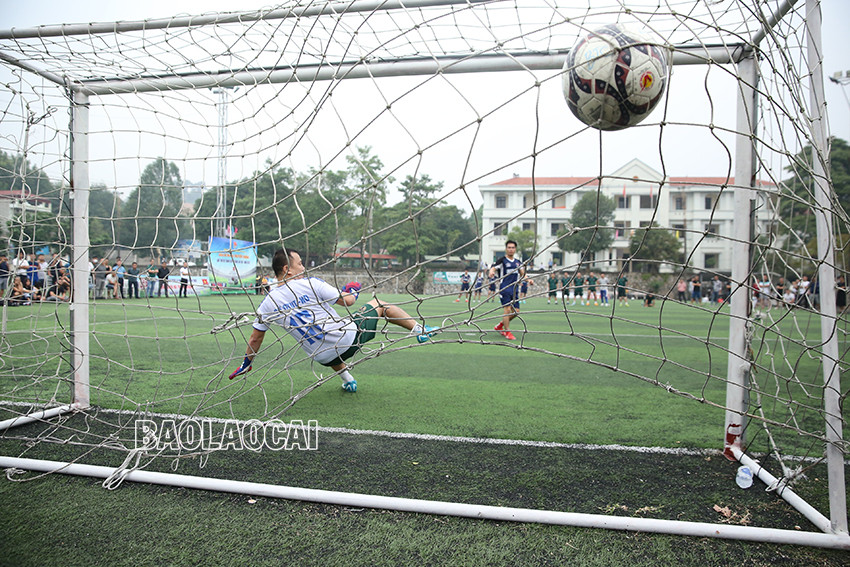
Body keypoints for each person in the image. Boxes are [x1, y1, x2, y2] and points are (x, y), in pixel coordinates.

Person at [227, 248, 437, 393]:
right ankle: (419, 330)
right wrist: (353, 290)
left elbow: (255, 338)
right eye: (300, 264)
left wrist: (247, 364)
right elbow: (347, 302)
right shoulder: (310, 283)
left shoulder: (266, 304)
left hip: (322, 358)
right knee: (379, 304)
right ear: (286, 269)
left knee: (323, 340)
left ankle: (348, 380)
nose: (303, 267)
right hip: (348, 340)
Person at [488, 240, 525, 340]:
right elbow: (493, 268)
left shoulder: (518, 262)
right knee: (507, 310)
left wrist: (528, 279)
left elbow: (523, 274)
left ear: (515, 249)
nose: (511, 249)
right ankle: (507, 331)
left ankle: (500, 326)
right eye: (509, 247)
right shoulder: (502, 260)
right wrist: (491, 272)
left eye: (513, 247)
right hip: (504, 289)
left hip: (514, 290)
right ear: (506, 249)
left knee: (516, 312)